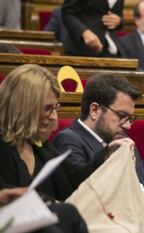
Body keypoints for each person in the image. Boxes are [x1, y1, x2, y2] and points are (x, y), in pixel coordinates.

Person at [52, 74, 144, 233]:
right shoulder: (69, 140)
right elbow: (86, 199)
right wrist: (142, 207)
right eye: (122, 116)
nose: (128, 126)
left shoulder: (120, 137)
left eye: (130, 118)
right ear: (94, 110)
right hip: (121, 225)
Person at [0, 64, 130, 232]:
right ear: (24, 107)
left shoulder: (40, 145)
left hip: (39, 221)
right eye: (47, 109)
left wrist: (106, 154)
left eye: (55, 107)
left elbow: (74, 181)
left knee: (69, 214)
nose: (54, 116)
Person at [61, 0, 127, 57]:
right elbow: (67, 13)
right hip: (80, 49)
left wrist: (119, 20)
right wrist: (84, 32)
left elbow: (118, 12)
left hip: (111, 49)